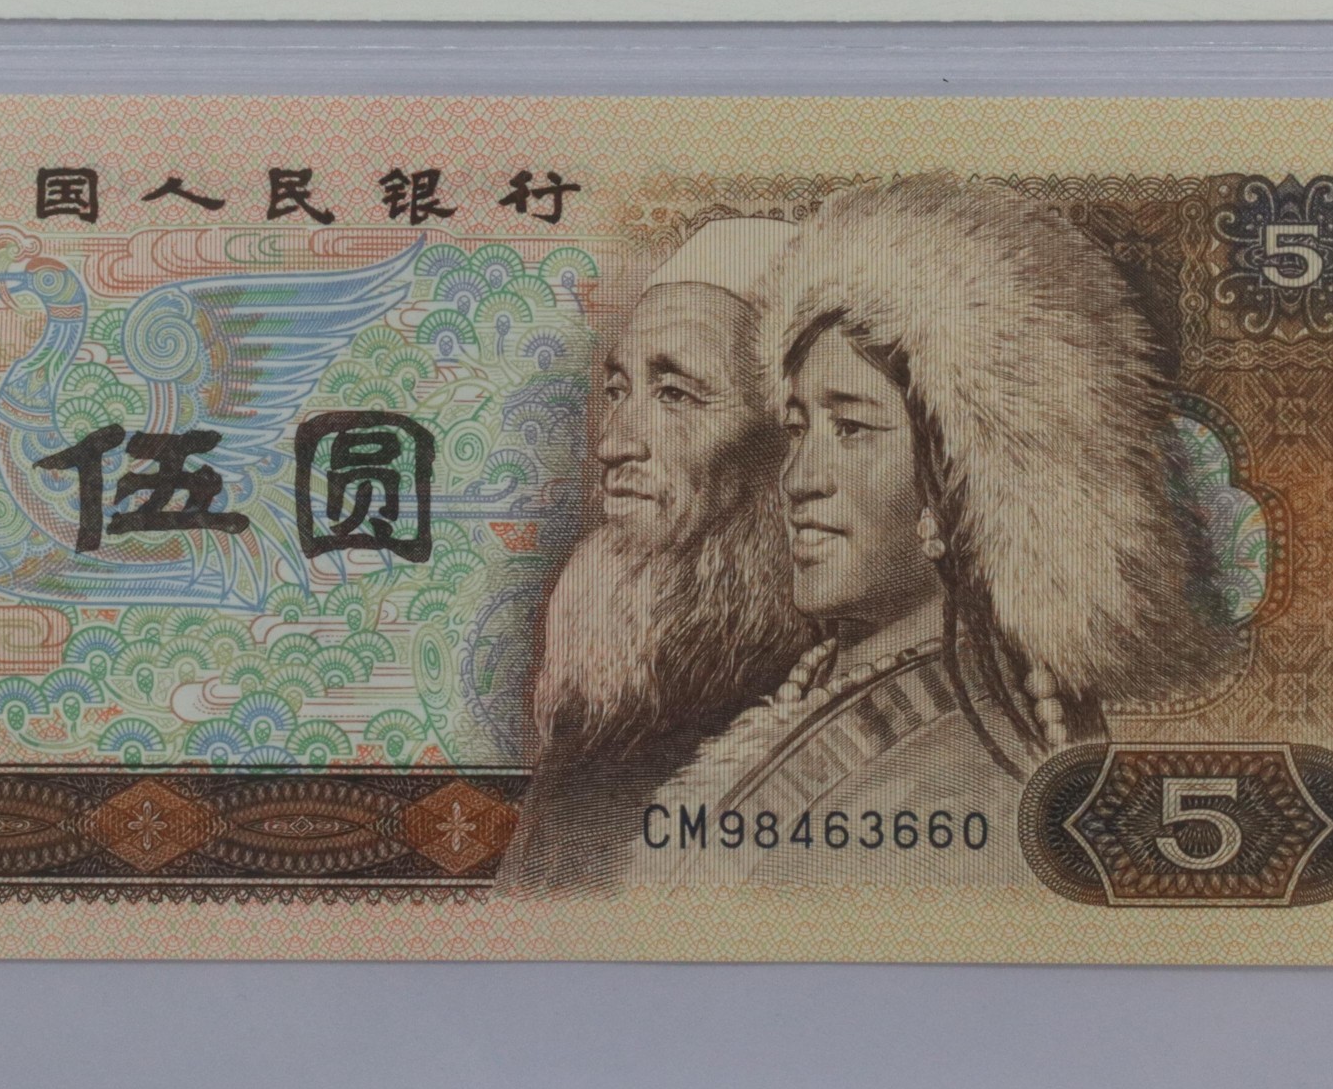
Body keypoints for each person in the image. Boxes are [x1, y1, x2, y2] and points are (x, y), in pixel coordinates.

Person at [630, 174, 1232, 886]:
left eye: (852, 428)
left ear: (963, 478)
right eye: (796, 428)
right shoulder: (828, 686)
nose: (798, 478)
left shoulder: (973, 768)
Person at [499, 217, 809, 893]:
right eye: (618, 390)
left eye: (674, 393)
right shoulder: (606, 707)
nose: (613, 444)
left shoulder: (811, 709)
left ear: (786, 442)